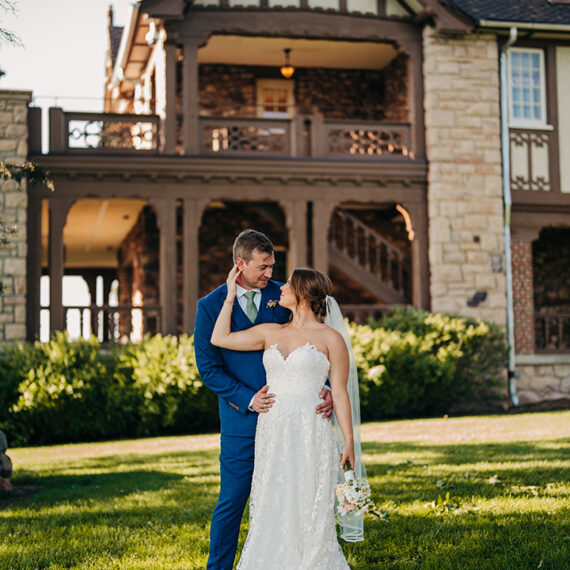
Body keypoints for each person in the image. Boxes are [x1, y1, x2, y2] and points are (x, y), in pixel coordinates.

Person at [194, 230, 333, 570]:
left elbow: (312, 340)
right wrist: (247, 399)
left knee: (291, 496)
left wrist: (323, 383)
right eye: (263, 267)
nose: (271, 274)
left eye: (273, 266)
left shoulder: (285, 296)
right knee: (232, 500)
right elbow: (208, 368)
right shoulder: (210, 306)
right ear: (240, 264)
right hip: (241, 421)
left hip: (292, 422)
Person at [211, 265, 355, 569]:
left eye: (289, 285)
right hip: (273, 429)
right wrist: (229, 295)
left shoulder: (332, 339)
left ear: (303, 295)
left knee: (307, 498)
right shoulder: (270, 332)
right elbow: (220, 338)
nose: (281, 288)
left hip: (310, 430)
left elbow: (340, 392)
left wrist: (349, 441)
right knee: (272, 496)